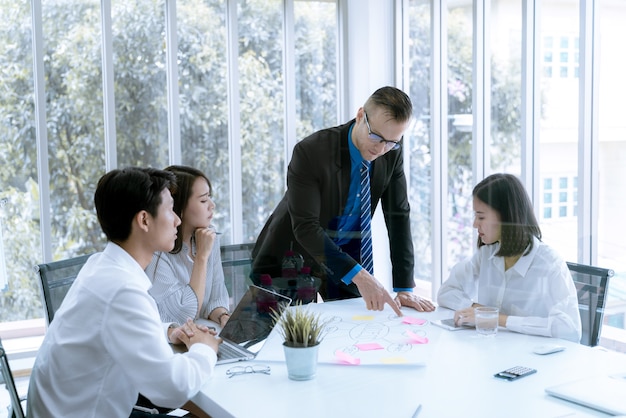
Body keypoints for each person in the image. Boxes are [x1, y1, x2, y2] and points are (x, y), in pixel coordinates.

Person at [27, 167, 222, 418]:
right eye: (170, 210)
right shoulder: (123, 291)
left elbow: (113, 327)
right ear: (144, 220)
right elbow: (171, 389)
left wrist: (169, 332)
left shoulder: (102, 265)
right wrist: (205, 348)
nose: (177, 220)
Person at [251, 86, 435, 315]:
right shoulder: (311, 151)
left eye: (391, 142)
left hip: (345, 254)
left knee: (355, 331)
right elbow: (306, 227)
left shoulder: (391, 152)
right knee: (286, 340)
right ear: (360, 116)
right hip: (292, 256)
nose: (380, 149)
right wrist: (360, 276)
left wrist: (404, 287)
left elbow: (398, 215)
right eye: (376, 137)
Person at [437, 173, 582, 342]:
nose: (475, 224)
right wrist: (478, 309)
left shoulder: (549, 264)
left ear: (506, 216)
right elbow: (446, 292)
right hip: (495, 352)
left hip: (534, 360)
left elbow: (570, 329)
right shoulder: (487, 254)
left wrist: (498, 319)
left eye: (481, 217)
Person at [146, 165, 231, 328]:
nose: (211, 205)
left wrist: (223, 316)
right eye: (203, 200)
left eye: (209, 197)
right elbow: (183, 315)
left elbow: (215, 299)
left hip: (201, 333)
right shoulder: (158, 251)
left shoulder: (207, 236)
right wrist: (201, 257)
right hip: (171, 343)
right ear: (178, 207)